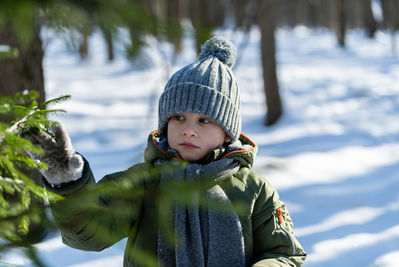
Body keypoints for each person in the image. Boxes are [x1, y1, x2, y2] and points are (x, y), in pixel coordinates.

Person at [30, 36, 306, 266]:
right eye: (179, 118)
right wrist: (67, 182)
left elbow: (286, 253)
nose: (189, 130)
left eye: (205, 120)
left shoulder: (254, 190)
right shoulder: (142, 183)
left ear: (227, 133)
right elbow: (88, 234)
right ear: (164, 124)